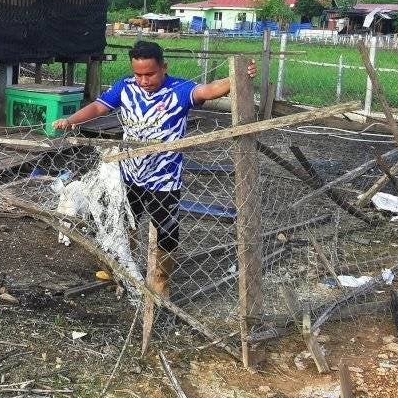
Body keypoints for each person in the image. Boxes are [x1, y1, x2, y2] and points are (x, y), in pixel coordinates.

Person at [52, 40, 255, 296]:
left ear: (164, 68)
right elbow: (98, 106)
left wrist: (236, 78)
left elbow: (209, 90)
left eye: (150, 74)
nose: (144, 80)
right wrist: (71, 120)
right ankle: (125, 268)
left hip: (164, 178)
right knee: (126, 223)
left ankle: (161, 279)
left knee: (166, 233)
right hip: (130, 172)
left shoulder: (179, 90)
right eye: (139, 74)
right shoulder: (125, 88)